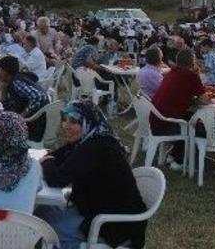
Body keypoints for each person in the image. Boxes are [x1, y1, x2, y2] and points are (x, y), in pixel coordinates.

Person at [37, 101, 147, 249]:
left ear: (88, 122)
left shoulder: (97, 147)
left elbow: (57, 179)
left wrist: (46, 162)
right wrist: (49, 160)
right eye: (64, 119)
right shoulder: (88, 139)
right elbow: (56, 157)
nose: (65, 125)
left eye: (74, 121)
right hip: (94, 209)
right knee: (40, 213)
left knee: (42, 229)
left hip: (114, 226)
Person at [149, 48, 210, 169]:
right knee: (201, 128)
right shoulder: (191, 75)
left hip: (155, 120)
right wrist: (197, 75)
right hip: (166, 125)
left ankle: (173, 154)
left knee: (190, 118)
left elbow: (180, 94)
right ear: (192, 62)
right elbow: (206, 100)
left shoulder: (171, 72)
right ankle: (181, 161)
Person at [0, 56, 50, 141]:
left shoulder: (17, 82)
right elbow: (4, 103)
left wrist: (21, 116)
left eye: (0, 70)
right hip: (28, 124)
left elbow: (38, 97)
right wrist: (3, 87)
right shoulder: (15, 80)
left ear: (6, 71)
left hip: (31, 127)